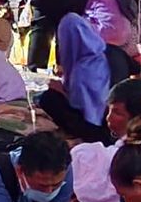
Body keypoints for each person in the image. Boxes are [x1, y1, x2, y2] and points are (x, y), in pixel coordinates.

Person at [38, 15, 115, 144]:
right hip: (106, 121)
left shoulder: (82, 70)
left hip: (91, 129)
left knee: (48, 98)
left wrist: (61, 91)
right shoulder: (106, 55)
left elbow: (80, 107)